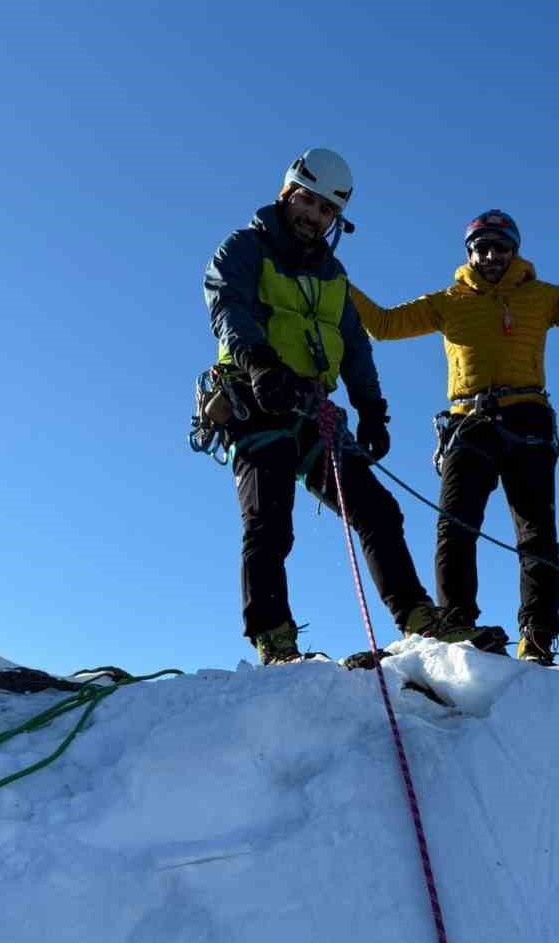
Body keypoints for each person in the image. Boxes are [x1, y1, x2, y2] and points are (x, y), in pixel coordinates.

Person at [348, 207, 559, 663]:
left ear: (514, 251)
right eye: (481, 247)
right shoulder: (448, 301)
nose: (490, 255)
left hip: (528, 417)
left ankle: (538, 637)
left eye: (499, 247)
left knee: (536, 534)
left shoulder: (541, 296)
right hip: (468, 422)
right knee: (455, 527)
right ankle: (458, 625)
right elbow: (384, 326)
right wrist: (335, 278)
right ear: (469, 253)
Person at [203, 149, 497, 665]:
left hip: (314, 410)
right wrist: (260, 365)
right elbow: (227, 304)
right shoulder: (243, 248)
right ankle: (274, 637)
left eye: (326, 211)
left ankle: (417, 619)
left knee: (378, 509)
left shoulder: (334, 275)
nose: (314, 217)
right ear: (286, 194)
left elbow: (354, 344)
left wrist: (372, 409)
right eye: (308, 202)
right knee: (269, 522)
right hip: (256, 400)